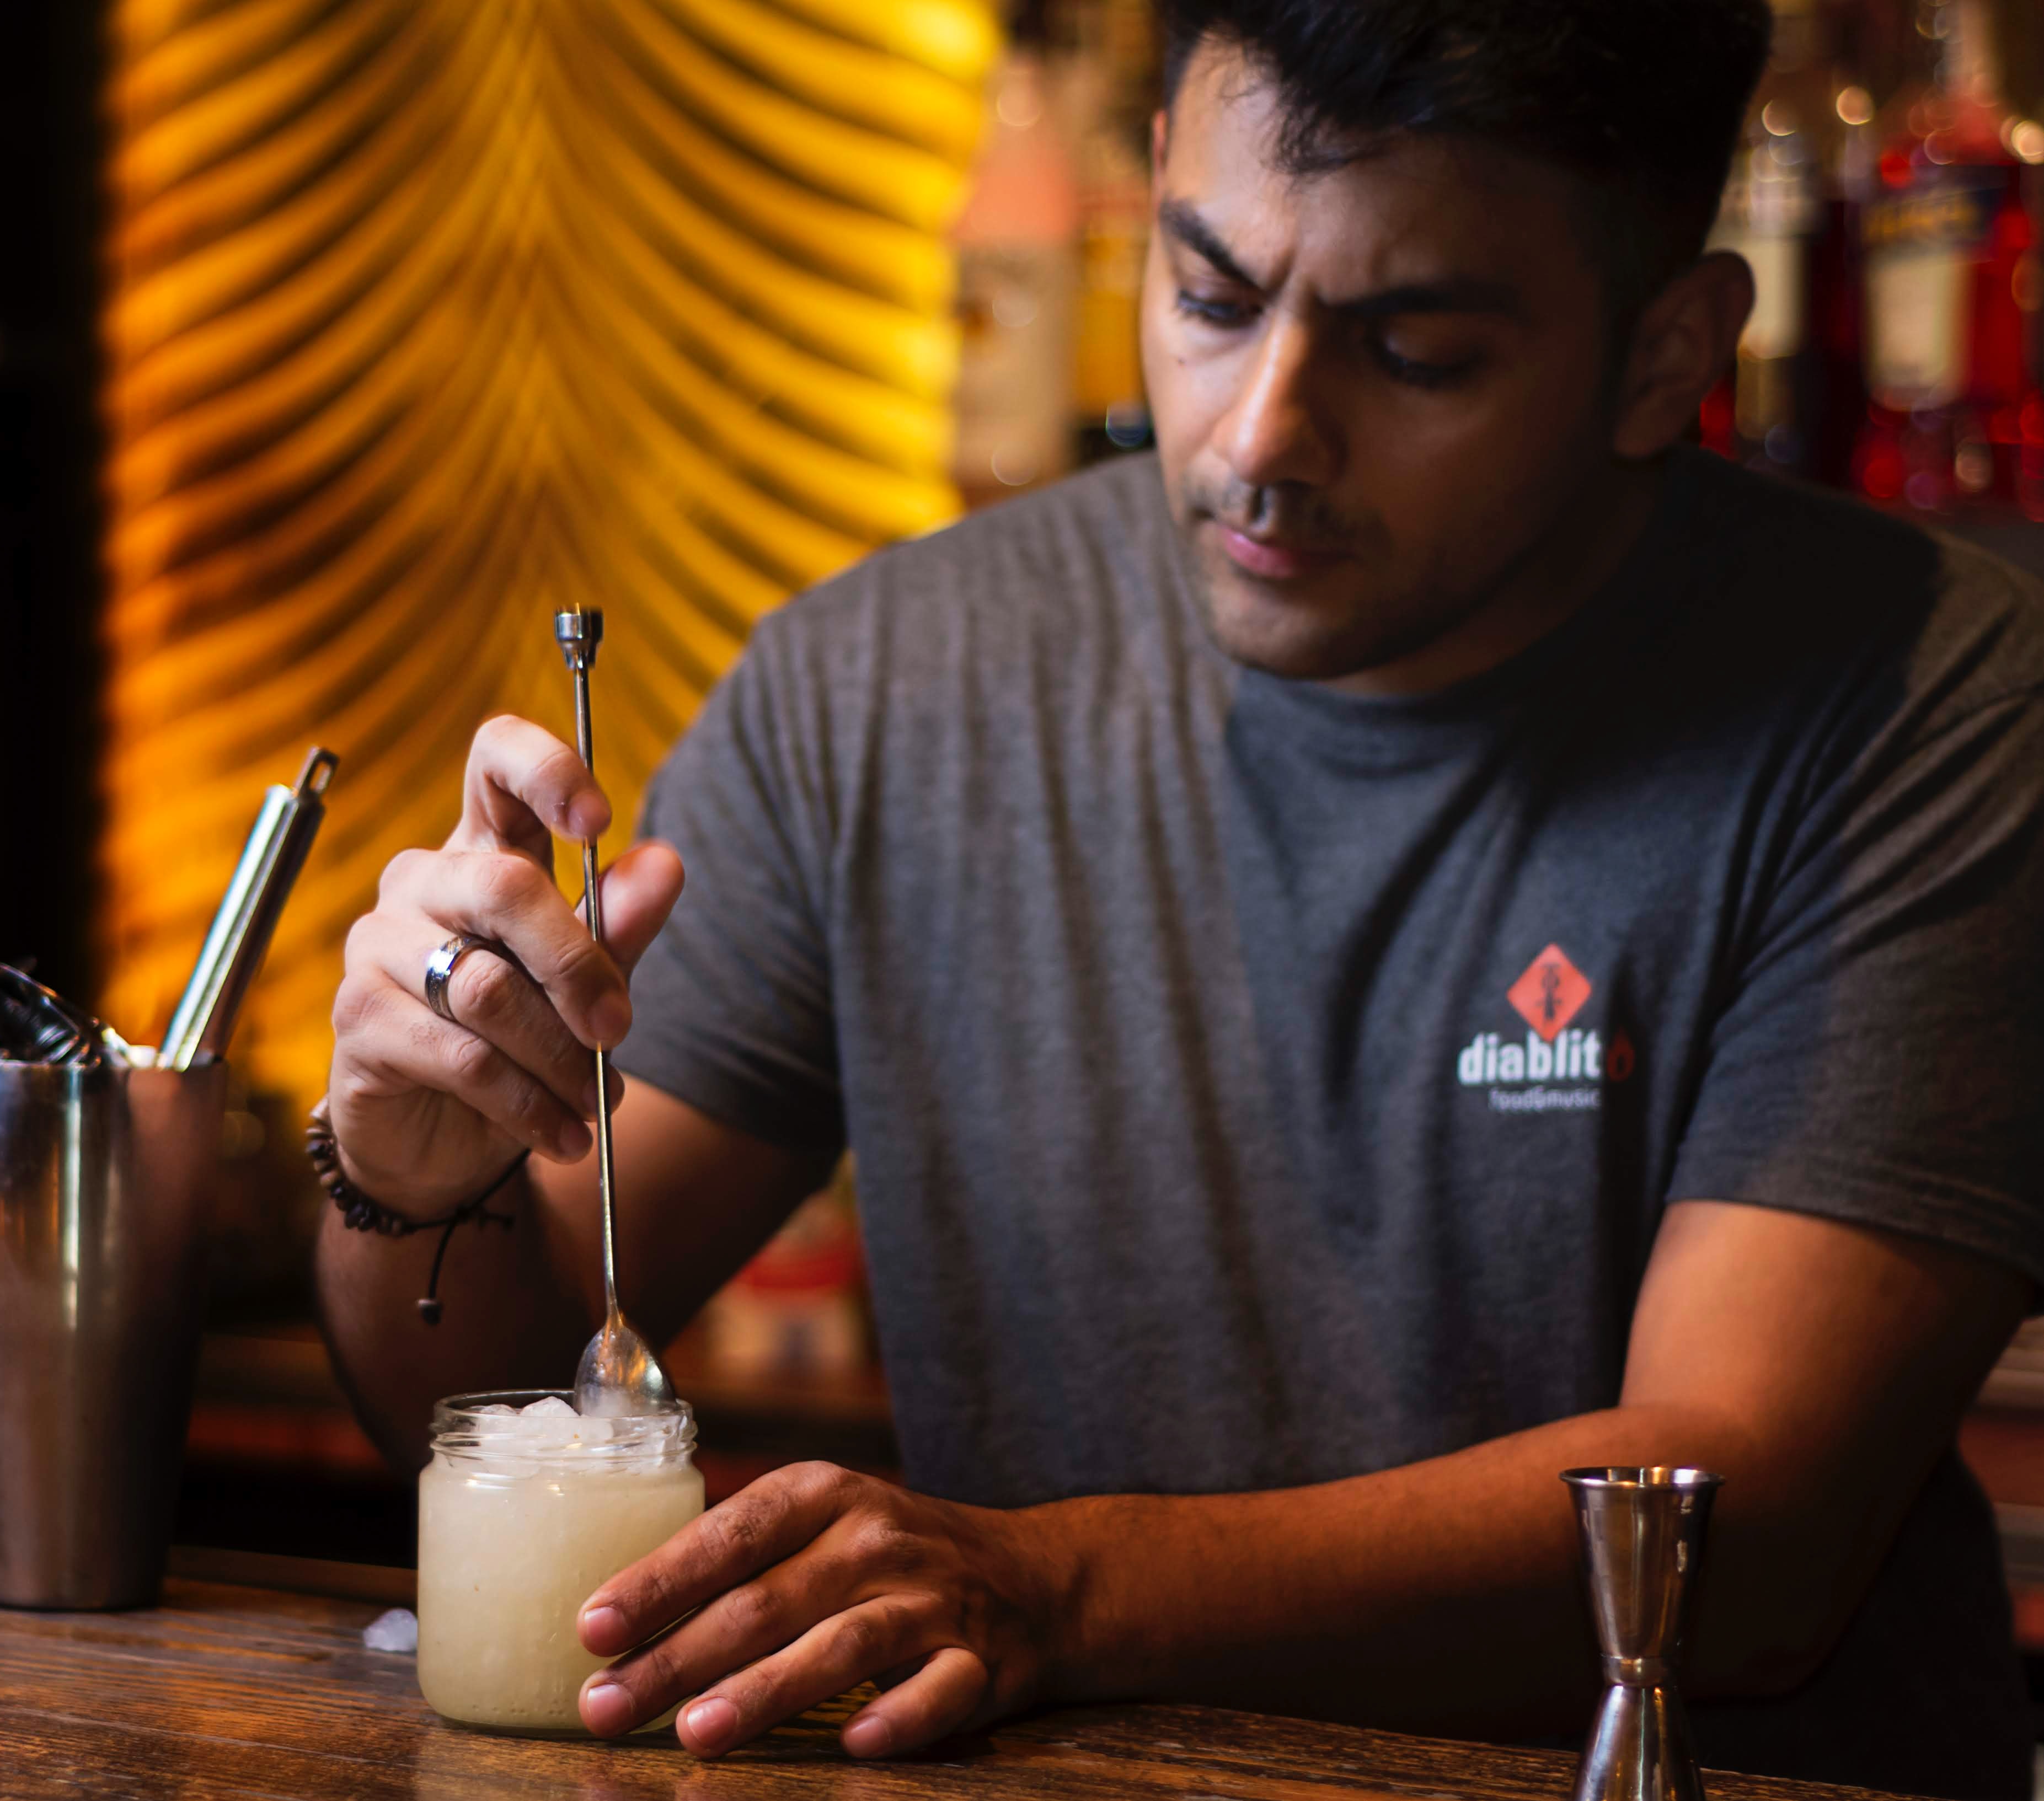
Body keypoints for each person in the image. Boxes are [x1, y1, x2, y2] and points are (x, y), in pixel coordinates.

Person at [313, 2, 2044, 1794]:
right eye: (1210, 296)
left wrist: (1061, 1586)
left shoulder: (1924, 691)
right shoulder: (883, 679)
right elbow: (498, 1366)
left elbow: (1734, 1531)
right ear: (1149, 187)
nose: (1257, 437)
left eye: (1417, 351)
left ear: (1661, 352)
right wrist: (402, 1168)